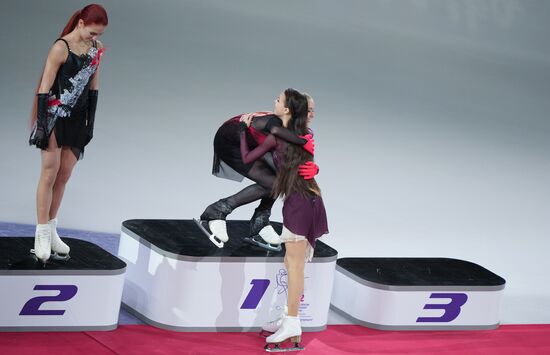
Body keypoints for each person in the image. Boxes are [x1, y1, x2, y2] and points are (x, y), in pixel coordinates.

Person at [239, 89, 328, 351]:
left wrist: (315, 166)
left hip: (305, 201)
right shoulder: (293, 135)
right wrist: (244, 132)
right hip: (295, 200)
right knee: (291, 263)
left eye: (278, 100)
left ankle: (292, 321)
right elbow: (250, 158)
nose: (273, 102)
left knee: (295, 266)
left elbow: (304, 156)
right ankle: (288, 315)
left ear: (288, 109)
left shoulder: (300, 135)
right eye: (309, 109)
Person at [28, 4, 108, 263]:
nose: (95, 39)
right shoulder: (61, 48)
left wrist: (90, 123)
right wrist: (41, 126)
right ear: (81, 23)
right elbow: (44, 87)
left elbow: (94, 87)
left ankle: (51, 229)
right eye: (92, 33)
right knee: (49, 173)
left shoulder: (96, 50)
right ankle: (40, 233)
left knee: (64, 175)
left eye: (99, 35)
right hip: (53, 116)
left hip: (76, 119)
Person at [197, 94, 318, 251]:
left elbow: (297, 160)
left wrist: (314, 168)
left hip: (254, 145)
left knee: (282, 178)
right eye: (307, 110)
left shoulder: (303, 132)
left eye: (312, 110)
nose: (311, 115)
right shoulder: (272, 123)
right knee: (275, 182)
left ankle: (259, 221)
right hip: (231, 141)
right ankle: (217, 211)